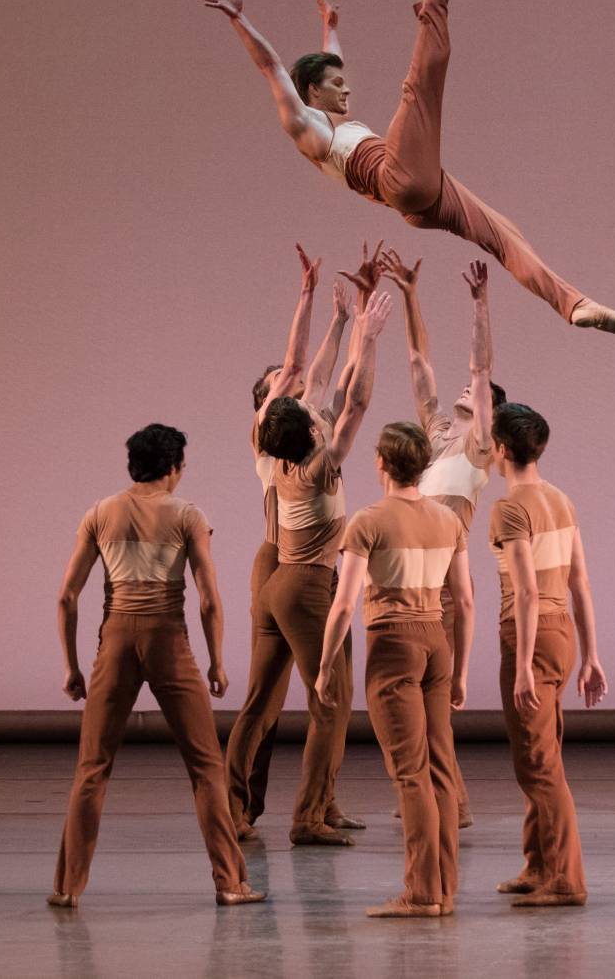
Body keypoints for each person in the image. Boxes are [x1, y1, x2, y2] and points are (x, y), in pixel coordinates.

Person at [200, 0, 615, 334]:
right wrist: (239, 19)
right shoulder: (305, 126)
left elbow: (332, 63)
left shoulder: (335, 122)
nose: (347, 88)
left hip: (417, 196)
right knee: (417, 91)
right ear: (311, 91)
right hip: (397, 178)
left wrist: (330, 27)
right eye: (336, 84)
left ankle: (575, 305)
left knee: (504, 234)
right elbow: (271, 68)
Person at [48, 424, 264, 908]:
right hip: (168, 638)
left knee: (92, 769)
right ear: (172, 469)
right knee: (206, 767)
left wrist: (71, 666)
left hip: (116, 640)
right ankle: (230, 883)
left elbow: (67, 596)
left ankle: (66, 888)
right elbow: (208, 599)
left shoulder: (100, 514)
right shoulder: (186, 515)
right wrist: (216, 662)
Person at [236, 289, 394, 846]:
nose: (303, 393)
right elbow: (349, 397)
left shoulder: (279, 443)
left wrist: (338, 317)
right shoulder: (310, 460)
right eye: (289, 390)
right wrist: (366, 335)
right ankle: (304, 814)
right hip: (298, 578)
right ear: (272, 403)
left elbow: (326, 377)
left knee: (274, 699)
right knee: (323, 698)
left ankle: (310, 803)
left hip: (292, 574)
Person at [316, 422, 475, 917]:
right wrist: (463, 670)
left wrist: (325, 668)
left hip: (392, 644)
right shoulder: (449, 521)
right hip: (436, 643)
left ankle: (423, 892)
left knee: (410, 774)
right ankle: (442, 888)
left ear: (381, 463)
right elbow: (465, 601)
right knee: (440, 769)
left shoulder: (368, 521)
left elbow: (343, 605)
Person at [381, 250, 501, 829]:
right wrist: (409, 295)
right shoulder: (432, 434)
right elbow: (418, 359)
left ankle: (448, 809)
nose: (465, 384)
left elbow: (478, 373)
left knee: (437, 710)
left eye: (479, 396)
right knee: (419, 713)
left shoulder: (479, 447)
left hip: (447, 588)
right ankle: (448, 805)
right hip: (411, 585)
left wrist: (481, 306)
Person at [487, 404, 609, 907]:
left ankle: (565, 879)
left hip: (530, 634)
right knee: (545, 753)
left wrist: (521, 670)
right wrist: (591, 655)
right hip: (561, 636)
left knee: (536, 763)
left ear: (500, 449)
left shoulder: (510, 508)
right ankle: (538, 864)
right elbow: (579, 580)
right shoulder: (561, 500)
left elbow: (529, 592)